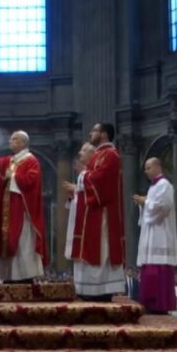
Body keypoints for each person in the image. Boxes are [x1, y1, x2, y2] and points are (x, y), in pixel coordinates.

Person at [66, 123, 126, 301]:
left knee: (101, 249)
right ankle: (88, 291)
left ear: (104, 134)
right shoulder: (100, 154)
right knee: (90, 249)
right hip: (92, 213)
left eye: (94, 131)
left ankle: (100, 292)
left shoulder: (111, 155)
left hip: (103, 214)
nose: (91, 133)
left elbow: (101, 181)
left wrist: (83, 175)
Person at [0, 131, 47, 283]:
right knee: (8, 241)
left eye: (14, 139)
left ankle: (25, 276)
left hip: (22, 210)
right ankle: (8, 276)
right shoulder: (10, 161)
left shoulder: (31, 161)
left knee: (23, 242)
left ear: (24, 143)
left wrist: (14, 177)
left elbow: (32, 181)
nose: (10, 141)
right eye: (10, 139)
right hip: (8, 209)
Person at [133, 157, 177, 314]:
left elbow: (163, 207)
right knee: (149, 268)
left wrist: (145, 202)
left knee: (157, 269)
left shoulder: (165, 185)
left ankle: (159, 304)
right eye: (145, 169)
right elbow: (153, 204)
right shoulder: (153, 187)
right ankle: (149, 303)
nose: (146, 171)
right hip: (151, 232)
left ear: (158, 167)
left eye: (148, 168)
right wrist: (144, 201)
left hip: (161, 234)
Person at [62, 142, 95, 262]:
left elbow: (93, 194)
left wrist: (75, 189)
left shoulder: (92, 172)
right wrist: (73, 193)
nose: (80, 153)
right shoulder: (82, 175)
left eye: (83, 151)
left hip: (89, 220)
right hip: (78, 218)